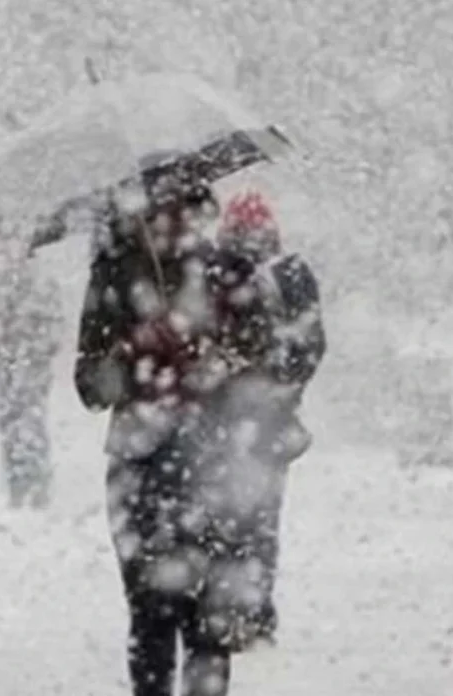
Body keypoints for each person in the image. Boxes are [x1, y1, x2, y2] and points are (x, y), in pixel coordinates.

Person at [73, 176, 325, 696]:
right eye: (161, 212)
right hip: (140, 462)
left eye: (186, 211)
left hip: (213, 458)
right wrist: (135, 351)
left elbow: (266, 358)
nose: (175, 223)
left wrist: (216, 360)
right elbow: (90, 386)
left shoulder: (225, 271)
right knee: (149, 613)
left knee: (209, 620)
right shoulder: (114, 278)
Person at [0, 224, 64, 509]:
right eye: (8, 243)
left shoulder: (44, 286)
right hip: (3, 365)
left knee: (33, 424)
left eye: (20, 243)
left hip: (33, 366)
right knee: (9, 426)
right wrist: (3, 330)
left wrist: (36, 339)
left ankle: (38, 486)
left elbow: (55, 328)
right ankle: (17, 487)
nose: (14, 250)